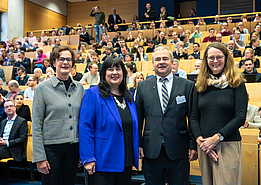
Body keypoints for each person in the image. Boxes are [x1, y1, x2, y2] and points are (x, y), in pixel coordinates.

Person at [136, 46, 197, 185]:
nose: (161, 62)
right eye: (157, 59)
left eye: (165, 59)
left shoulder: (187, 85)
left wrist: (193, 145)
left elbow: (193, 117)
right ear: (153, 64)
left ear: (172, 62)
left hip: (179, 149)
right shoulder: (143, 86)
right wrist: (138, 144)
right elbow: (139, 118)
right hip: (151, 150)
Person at [191, 42, 248, 185]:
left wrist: (216, 138)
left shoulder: (237, 83)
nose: (215, 61)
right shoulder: (199, 85)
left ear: (226, 58)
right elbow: (193, 117)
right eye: (211, 58)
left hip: (228, 144)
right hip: (205, 147)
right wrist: (201, 141)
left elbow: (240, 117)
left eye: (219, 57)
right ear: (206, 60)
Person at [79, 56, 139, 185]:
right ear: (103, 73)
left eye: (118, 69)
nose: (115, 73)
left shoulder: (129, 96)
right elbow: (85, 127)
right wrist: (88, 157)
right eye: (110, 69)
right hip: (102, 161)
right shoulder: (93, 94)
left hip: (126, 161)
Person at [32, 46, 84, 185]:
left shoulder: (80, 88)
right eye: (61, 59)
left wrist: (82, 151)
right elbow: (36, 125)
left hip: (73, 147)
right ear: (54, 62)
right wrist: (39, 157)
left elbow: (83, 121)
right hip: (51, 149)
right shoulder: (42, 88)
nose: (65, 62)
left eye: (68, 59)